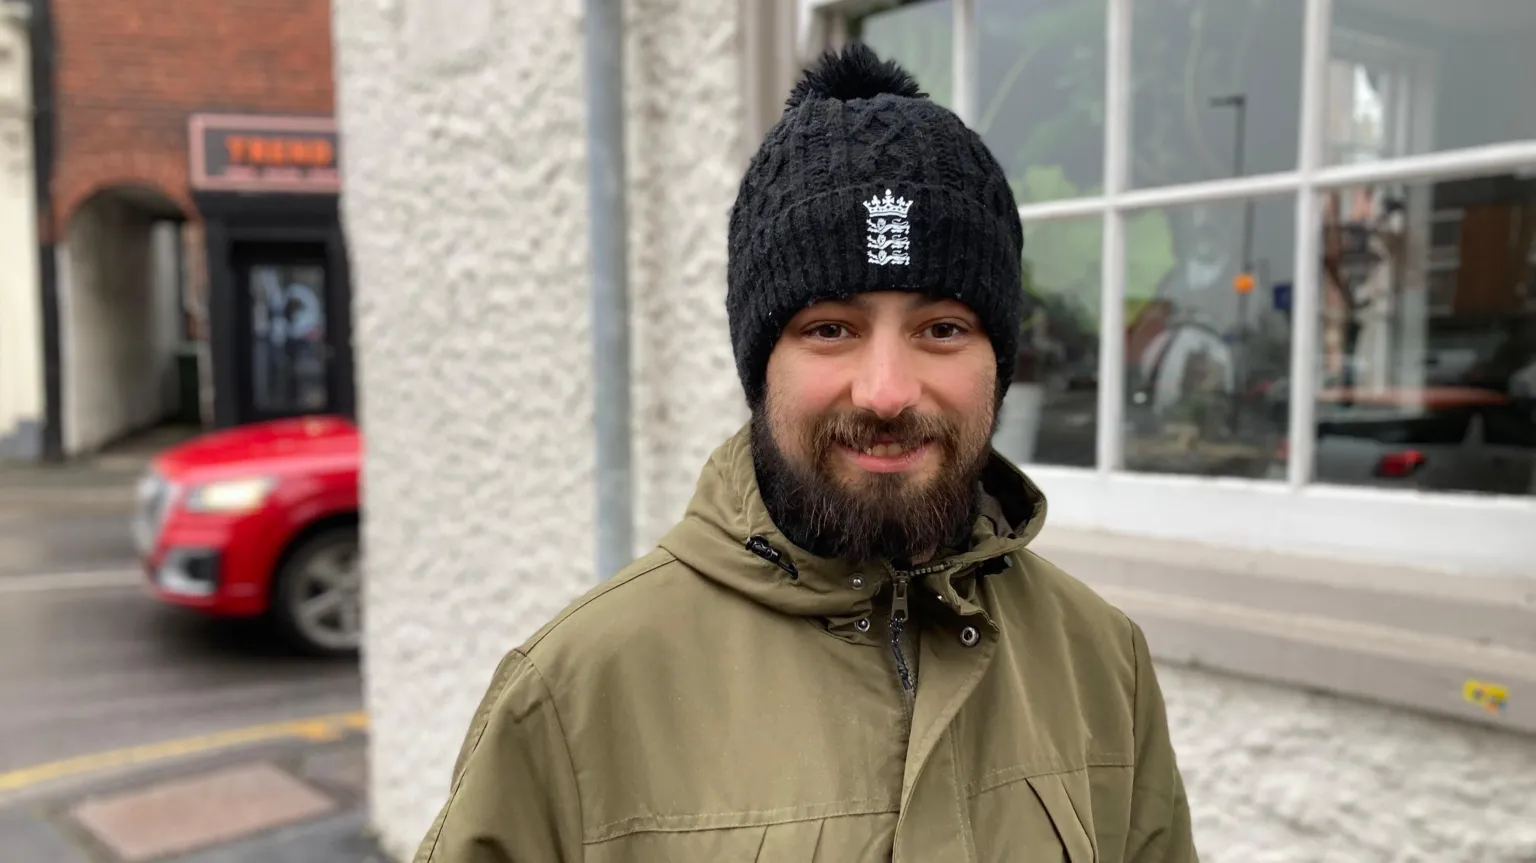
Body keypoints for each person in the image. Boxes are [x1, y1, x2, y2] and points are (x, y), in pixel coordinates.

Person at [415, 44, 1198, 863]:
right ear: (761, 367)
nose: (887, 391)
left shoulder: (1103, 661)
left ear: (998, 362)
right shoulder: (575, 694)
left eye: (942, 329)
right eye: (831, 329)